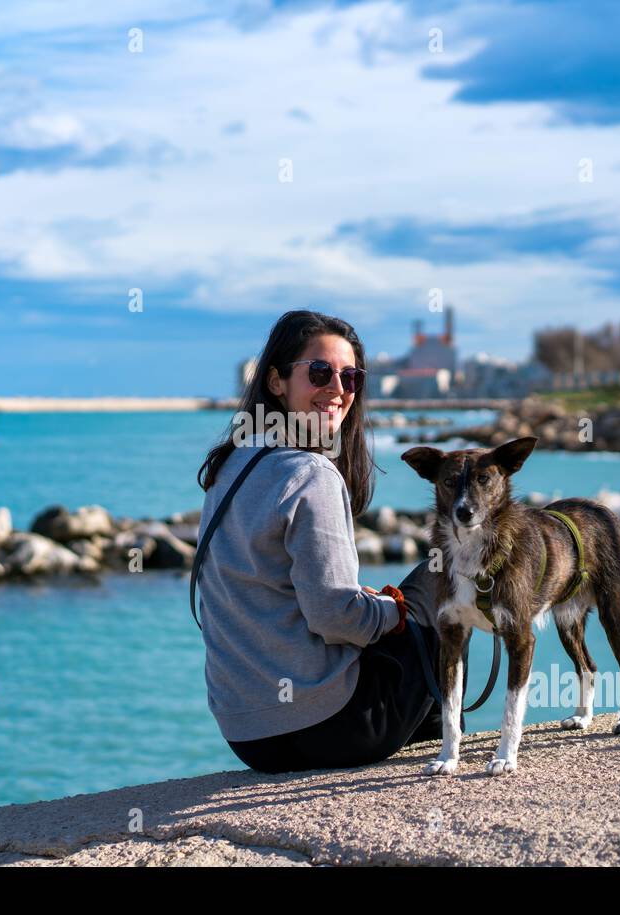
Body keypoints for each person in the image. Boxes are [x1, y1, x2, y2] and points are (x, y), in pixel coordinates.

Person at [195, 309, 465, 773]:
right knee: (443, 572)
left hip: (249, 736)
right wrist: (392, 610)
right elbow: (335, 617)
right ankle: (442, 738)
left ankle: (428, 727)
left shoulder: (230, 465)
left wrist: (365, 606)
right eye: (320, 372)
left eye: (351, 377)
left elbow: (284, 592)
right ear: (277, 381)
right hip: (331, 728)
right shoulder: (310, 474)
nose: (338, 389)